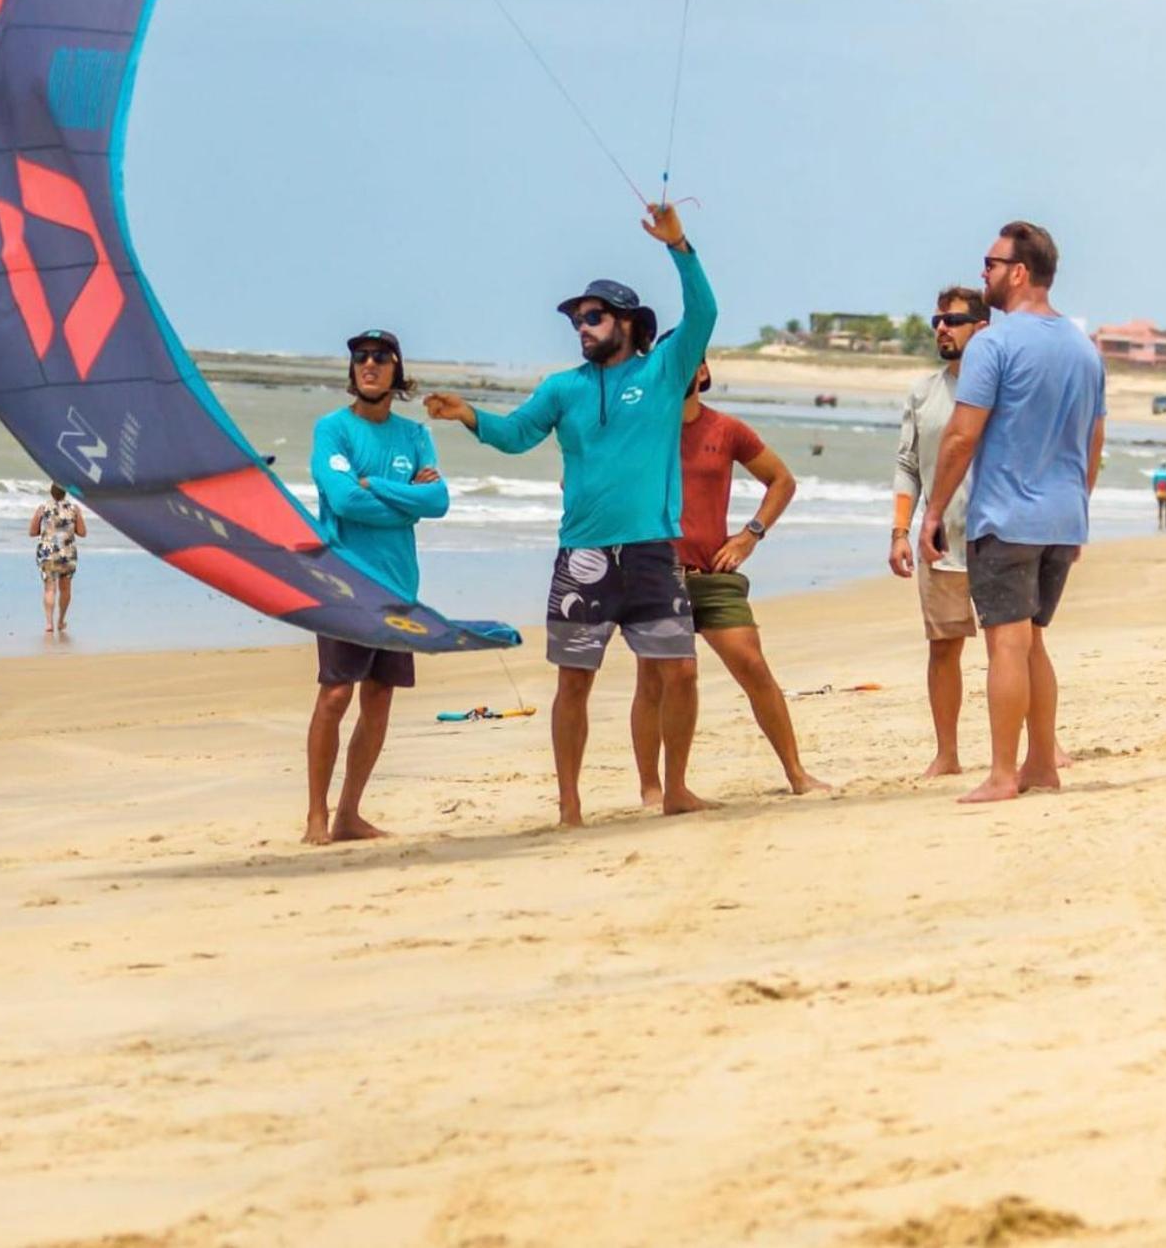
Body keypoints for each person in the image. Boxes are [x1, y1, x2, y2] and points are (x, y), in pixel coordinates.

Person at [426, 203, 716, 827]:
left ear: (628, 324)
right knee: (575, 683)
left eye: (594, 317)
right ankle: (569, 805)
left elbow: (705, 314)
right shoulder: (564, 387)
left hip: (651, 551)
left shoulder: (665, 371)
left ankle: (678, 787)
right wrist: (469, 415)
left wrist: (679, 246)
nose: (581, 327)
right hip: (583, 556)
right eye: (577, 319)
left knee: (682, 674)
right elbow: (515, 436)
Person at [920, 222, 1105, 806]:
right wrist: (1079, 507)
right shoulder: (1083, 347)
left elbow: (959, 438)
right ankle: (1041, 764)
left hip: (1006, 516)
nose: (984, 273)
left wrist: (932, 512)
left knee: (1006, 644)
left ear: (1020, 272)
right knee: (1033, 643)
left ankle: (1003, 774)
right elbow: (1093, 441)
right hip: (1061, 517)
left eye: (992, 263)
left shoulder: (993, 345)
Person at [630, 354, 828, 801]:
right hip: (655, 575)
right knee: (655, 680)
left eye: (686, 360)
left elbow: (781, 480)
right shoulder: (639, 429)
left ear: (701, 372)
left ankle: (797, 773)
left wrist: (749, 535)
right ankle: (651, 788)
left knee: (754, 667)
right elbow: (585, 480)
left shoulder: (727, 429)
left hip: (713, 571)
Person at [304, 330, 448, 846]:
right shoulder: (332, 430)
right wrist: (406, 496)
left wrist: (381, 487)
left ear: (395, 371)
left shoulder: (413, 436)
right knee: (336, 694)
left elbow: (439, 503)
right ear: (352, 371)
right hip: (343, 583)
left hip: (399, 586)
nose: (369, 364)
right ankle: (316, 816)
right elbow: (343, 501)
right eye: (361, 357)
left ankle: (349, 814)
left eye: (381, 358)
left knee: (380, 697)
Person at [889, 287, 988, 778]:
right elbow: (907, 464)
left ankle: (1041, 743)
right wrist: (899, 531)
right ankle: (947, 753)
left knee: (1016, 643)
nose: (942, 328)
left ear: (981, 328)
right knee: (944, 646)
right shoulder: (923, 392)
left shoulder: (1003, 387)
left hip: (998, 536)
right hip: (939, 540)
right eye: (937, 320)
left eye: (953, 320)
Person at [29, 483, 87, 634]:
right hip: (67, 554)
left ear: (51, 492)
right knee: (65, 589)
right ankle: (60, 621)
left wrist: (39, 517)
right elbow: (82, 532)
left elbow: (32, 532)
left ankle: (49, 623)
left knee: (49, 589)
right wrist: (78, 517)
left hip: (47, 553)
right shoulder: (74, 509)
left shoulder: (43, 508)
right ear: (65, 493)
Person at [1151, 459, 1166, 531]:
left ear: (1160, 465)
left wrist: (1155, 491)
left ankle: (1160, 524)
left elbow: (1154, 482)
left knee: (1160, 507)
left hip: (1159, 492)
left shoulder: (1156, 472)